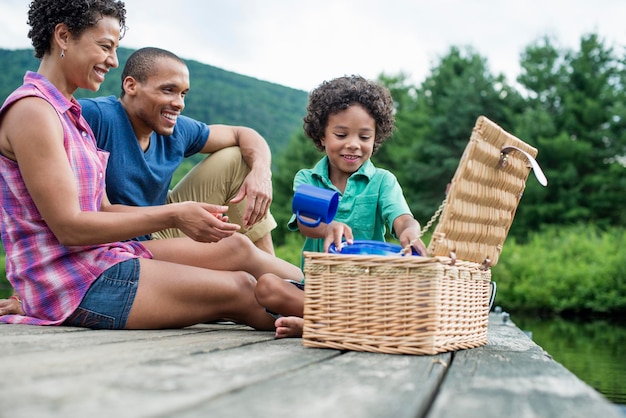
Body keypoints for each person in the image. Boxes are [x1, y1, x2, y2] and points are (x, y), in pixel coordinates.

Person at [0, 0, 301, 330]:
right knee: (243, 288)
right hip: (71, 285)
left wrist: (182, 211)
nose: (113, 61)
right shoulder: (32, 111)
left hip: (106, 257)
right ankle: (336, 317)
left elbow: (103, 209)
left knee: (237, 247)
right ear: (63, 36)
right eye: (105, 47)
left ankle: (335, 294)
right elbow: (69, 228)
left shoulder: (72, 118)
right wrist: (174, 214)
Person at [254, 75, 429, 338]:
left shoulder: (383, 181)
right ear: (322, 136)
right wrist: (327, 228)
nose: (353, 144)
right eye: (341, 134)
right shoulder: (307, 177)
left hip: (368, 290)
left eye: (364, 136)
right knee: (266, 287)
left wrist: (410, 232)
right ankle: (343, 323)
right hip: (318, 289)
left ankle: (319, 325)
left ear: (375, 139)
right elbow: (305, 222)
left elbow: (403, 219)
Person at [80, 46, 277, 254]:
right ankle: (281, 279)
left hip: (160, 228)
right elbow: (92, 212)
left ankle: (273, 273)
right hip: (116, 241)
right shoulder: (96, 117)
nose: (179, 104)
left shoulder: (175, 128)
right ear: (131, 86)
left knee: (238, 158)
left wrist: (261, 173)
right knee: (238, 251)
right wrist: (175, 213)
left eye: (183, 94)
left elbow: (241, 134)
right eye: (168, 90)